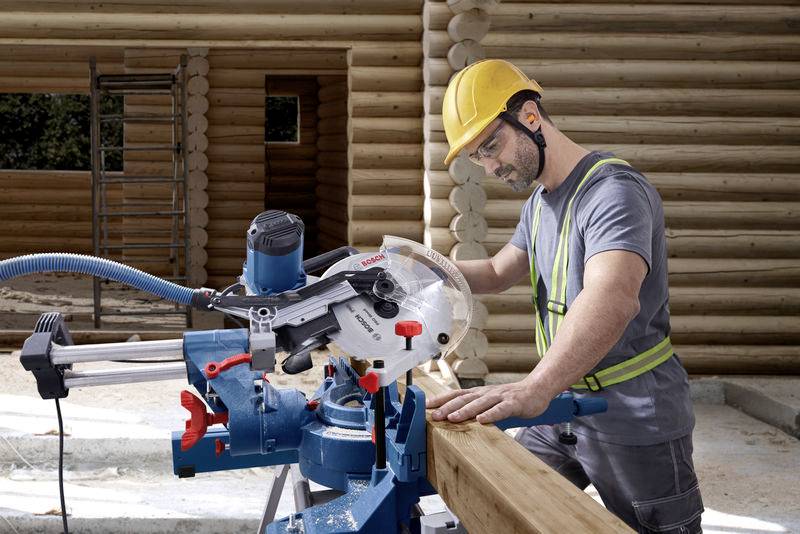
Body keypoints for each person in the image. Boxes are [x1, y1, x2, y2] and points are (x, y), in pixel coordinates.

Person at [426, 59, 704, 533]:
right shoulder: (540, 201)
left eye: (492, 146)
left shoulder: (613, 193)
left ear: (530, 117)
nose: (491, 166)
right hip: (565, 407)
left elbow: (612, 299)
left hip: (634, 415)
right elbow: (495, 271)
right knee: (500, 507)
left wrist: (535, 388)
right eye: (478, 157)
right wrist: (418, 269)